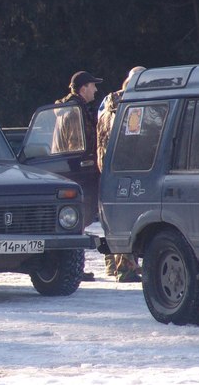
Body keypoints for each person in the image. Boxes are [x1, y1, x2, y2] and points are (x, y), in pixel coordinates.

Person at [53, 70, 102, 280]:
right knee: (77, 221)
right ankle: (72, 268)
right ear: (83, 89)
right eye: (93, 86)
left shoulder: (69, 108)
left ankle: (71, 267)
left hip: (69, 171)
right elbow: (75, 145)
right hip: (77, 174)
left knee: (76, 222)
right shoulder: (74, 110)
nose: (96, 90)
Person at [96, 66, 145, 282]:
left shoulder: (107, 101)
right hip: (126, 166)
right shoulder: (134, 102)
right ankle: (126, 269)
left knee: (112, 216)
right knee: (128, 215)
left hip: (105, 164)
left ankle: (111, 264)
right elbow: (135, 136)